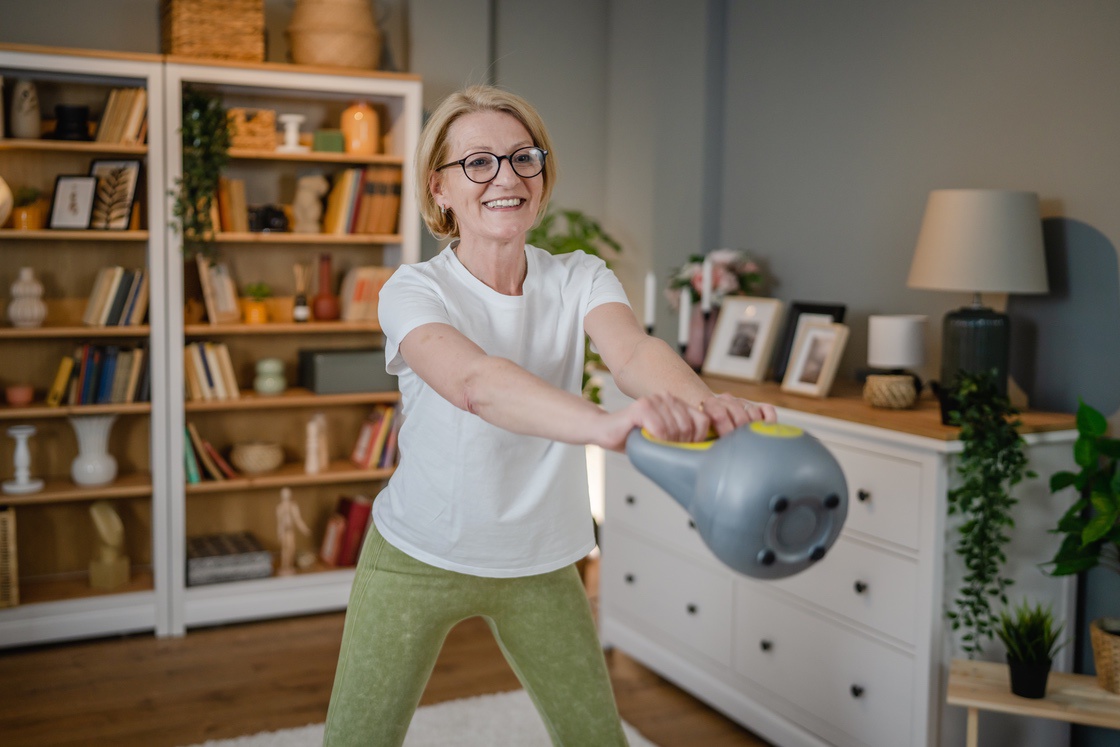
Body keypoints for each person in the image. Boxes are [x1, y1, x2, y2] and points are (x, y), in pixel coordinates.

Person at [323, 84, 776, 746]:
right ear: (439, 188)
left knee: (596, 738)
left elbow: (634, 350)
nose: (505, 177)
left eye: (522, 158)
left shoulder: (578, 276)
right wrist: (604, 424)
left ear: (541, 173)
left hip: (540, 557)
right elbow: (477, 383)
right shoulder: (414, 290)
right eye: (478, 162)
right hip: (418, 550)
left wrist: (704, 405)